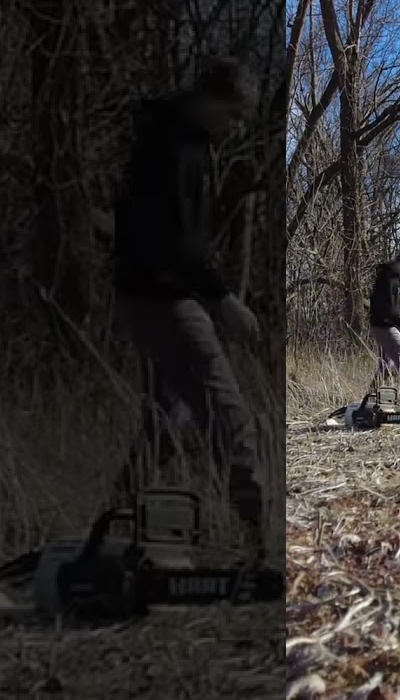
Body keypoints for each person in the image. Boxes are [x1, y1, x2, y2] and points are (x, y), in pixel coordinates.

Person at [110, 57, 266, 555]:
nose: (236, 126)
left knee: (167, 418)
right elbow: (177, 245)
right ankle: (259, 546)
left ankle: (115, 528)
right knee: (230, 418)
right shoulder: (175, 147)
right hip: (164, 296)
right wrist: (222, 299)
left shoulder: (175, 138)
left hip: (153, 293)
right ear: (208, 98)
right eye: (233, 113)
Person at [368, 250, 400, 408]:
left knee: (386, 365)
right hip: (385, 326)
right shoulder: (388, 280)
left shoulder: (388, 276)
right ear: (399, 264)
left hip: (382, 325)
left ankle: (369, 399)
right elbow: (389, 310)